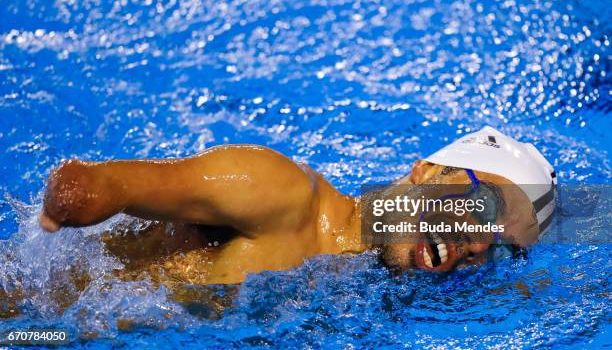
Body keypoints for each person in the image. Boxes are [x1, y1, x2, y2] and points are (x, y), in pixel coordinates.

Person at [39, 127, 556, 284]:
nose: (480, 241)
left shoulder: (353, 286)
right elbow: (98, 182)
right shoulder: (277, 192)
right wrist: (75, 200)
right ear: (425, 172)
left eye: (505, 248)